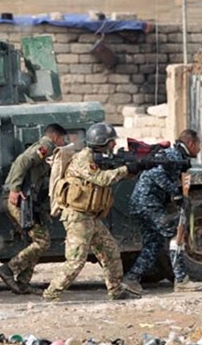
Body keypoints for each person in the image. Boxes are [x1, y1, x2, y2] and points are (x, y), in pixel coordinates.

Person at [42, 122, 152, 302]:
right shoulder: (84, 159)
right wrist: (126, 170)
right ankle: (51, 294)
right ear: (102, 142)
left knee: (110, 251)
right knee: (76, 261)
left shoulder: (100, 158)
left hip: (91, 217)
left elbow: (111, 174)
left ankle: (116, 290)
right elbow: (101, 179)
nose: (114, 145)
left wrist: (137, 166)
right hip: (77, 217)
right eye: (111, 142)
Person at [122, 129, 202, 294]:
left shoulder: (175, 155)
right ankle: (181, 280)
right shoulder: (173, 155)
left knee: (154, 243)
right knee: (176, 231)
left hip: (141, 203)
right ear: (191, 143)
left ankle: (131, 278)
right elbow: (156, 173)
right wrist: (175, 192)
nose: (200, 149)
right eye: (199, 144)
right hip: (148, 203)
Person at [0, 124, 68, 295]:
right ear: (56, 137)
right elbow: (22, 161)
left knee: (36, 242)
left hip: (27, 201)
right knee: (43, 242)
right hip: (17, 199)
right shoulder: (45, 147)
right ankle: (8, 269)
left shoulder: (50, 152)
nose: (64, 142)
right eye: (63, 139)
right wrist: (14, 187)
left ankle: (23, 282)